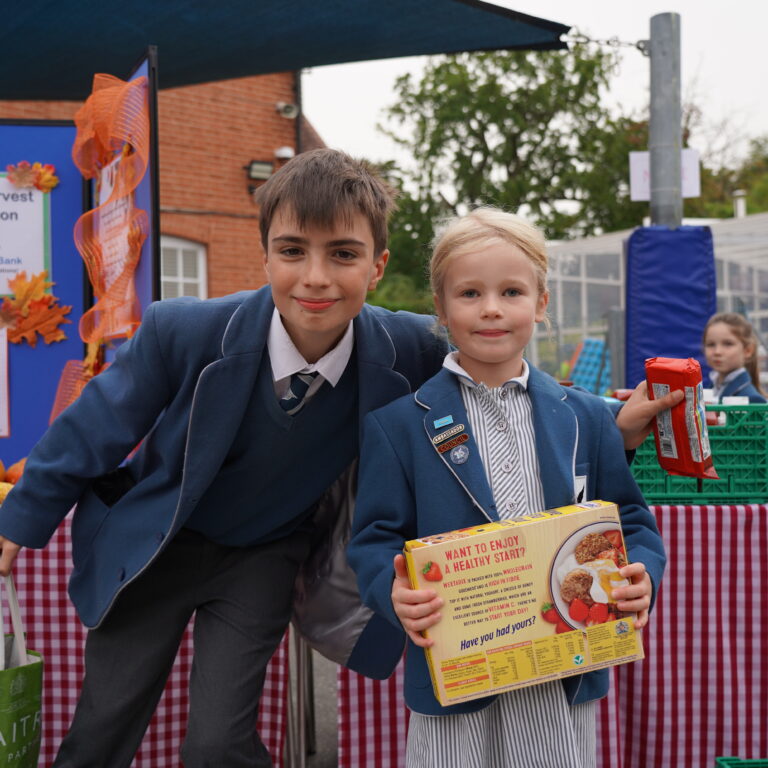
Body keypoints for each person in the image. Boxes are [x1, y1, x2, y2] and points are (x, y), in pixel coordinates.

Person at [0, 149, 674, 767]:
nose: (315, 278)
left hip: (262, 555)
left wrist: (614, 418)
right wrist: (15, 523)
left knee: (218, 738)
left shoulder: (406, 346)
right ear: (264, 254)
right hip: (155, 546)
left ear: (377, 266)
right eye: (292, 251)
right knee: (105, 721)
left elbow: (506, 375)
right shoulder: (186, 330)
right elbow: (91, 429)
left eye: (343, 254)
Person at [348, 207, 666, 768]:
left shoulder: (589, 417)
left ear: (541, 304)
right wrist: (393, 593)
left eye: (512, 291)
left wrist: (642, 574)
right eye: (469, 293)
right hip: (459, 676)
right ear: (441, 308)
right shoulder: (397, 425)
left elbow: (631, 520)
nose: (491, 308)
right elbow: (374, 540)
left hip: (562, 672)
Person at [703, 312, 766, 403]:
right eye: (710, 344)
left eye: (728, 344)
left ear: (748, 350)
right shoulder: (711, 387)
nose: (717, 352)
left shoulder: (752, 399)